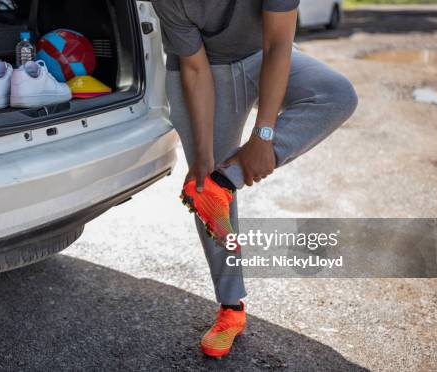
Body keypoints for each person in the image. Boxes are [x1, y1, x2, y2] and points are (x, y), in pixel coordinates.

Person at [150, 0, 359, 359]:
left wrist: (264, 136)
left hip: (261, 54)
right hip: (202, 70)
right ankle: (231, 309)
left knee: (336, 94)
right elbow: (194, 68)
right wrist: (203, 158)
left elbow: (278, 43)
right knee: (205, 187)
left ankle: (223, 180)